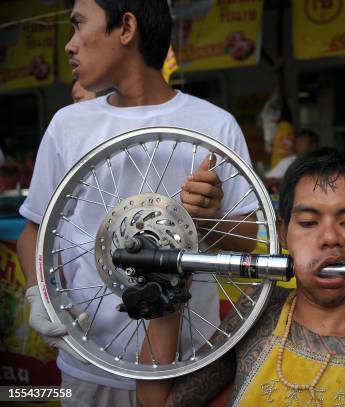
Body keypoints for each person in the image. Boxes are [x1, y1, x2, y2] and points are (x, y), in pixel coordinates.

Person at [16, 1, 258, 405]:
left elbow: (250, 237)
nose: (69, 46)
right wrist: (36, 293)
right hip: (89, 359)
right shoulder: (68, 125)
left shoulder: (214, 125)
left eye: (78, 26)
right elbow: (35, 232)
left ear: (125, 27)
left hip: (188, 365)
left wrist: (209, 219)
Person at [137, 147, 345, 406]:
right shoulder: (256, 313)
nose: (330, 238)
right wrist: (170, 287)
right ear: (283, 234)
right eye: (309, 222)